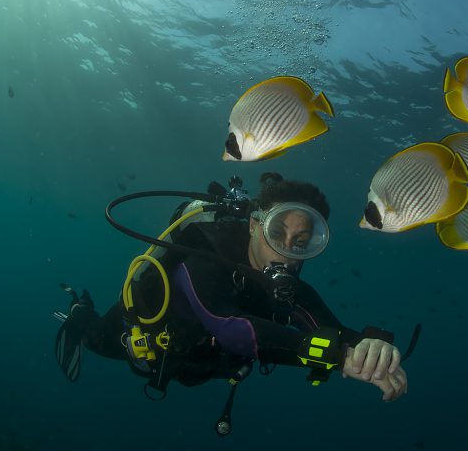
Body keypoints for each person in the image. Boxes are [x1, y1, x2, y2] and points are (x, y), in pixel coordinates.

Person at [55, 173, 409, 427]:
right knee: (94, 338)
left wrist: (371, 349)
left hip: (200, 365)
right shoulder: (206, 253)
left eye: (301, 243)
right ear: (255, 226)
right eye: (277, 234)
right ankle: (78, 310)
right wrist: (338, 357)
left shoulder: (289, 287)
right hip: (142, 340)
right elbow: (229, 328)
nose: (286, 253)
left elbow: (333, 330)